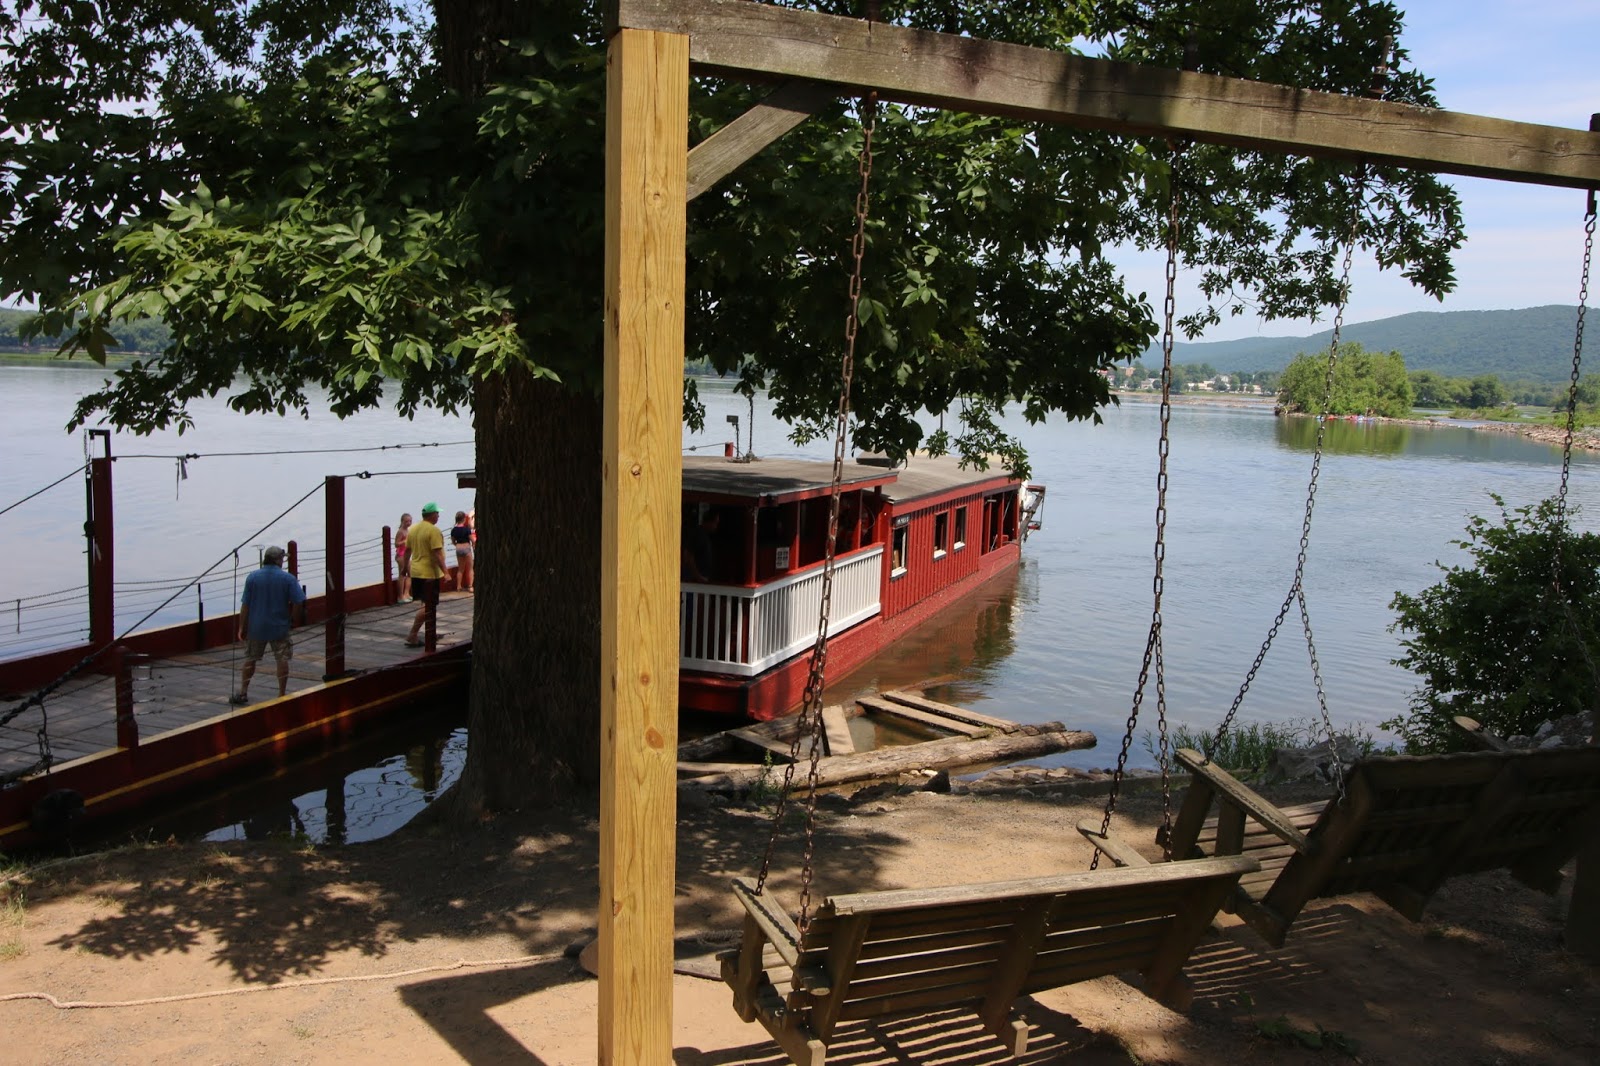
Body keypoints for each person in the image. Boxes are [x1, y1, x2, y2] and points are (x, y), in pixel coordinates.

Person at [232, 545, 307, 704]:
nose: (283, 561)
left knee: (250, 659)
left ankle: (243, 691)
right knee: (281, 659)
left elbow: (245, 605)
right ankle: (281, 694)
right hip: (279, 627)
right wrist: (293, 619)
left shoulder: (252, 577)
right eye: (282, 558)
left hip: (256, 626)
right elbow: (298, 602)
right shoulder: (288, 579)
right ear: (278, 560)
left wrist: (241, 627)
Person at [405, 502, 450, 647]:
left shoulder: (413, 529)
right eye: (437, 513)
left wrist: (405, 568)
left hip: (416, 571)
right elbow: (437, 553)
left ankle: (431, 632)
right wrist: (446, 572)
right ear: (431, 515)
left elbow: (407, 551)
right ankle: (412, 634)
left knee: (426, 604)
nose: (438, 516)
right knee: (428, 605)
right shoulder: (433, 530)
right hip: (429, 573)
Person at [681, 508, 719, 583]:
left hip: (700, 581)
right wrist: (698, 577)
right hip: (694, 582)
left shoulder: (704, 536)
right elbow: (688, 555)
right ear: (709, 521)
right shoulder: (698, 534)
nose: (716, 526)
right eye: (715, 523)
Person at [450, 510, 475, 592]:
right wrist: (473, 545)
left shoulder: (454, 530)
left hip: (458, 548)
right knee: (470, 568)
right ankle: (470, 586)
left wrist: (457, 545)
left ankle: (458, 586)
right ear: (464, 519)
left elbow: (453, 541)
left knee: (460, 569)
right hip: (466, 548)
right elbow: (472, 540)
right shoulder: (466, 529)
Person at [394, 512, 413, 601]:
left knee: (410, 574)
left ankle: (406, 593)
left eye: (410, 521)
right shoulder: (400, 531)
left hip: (407, 555)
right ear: (402, 522)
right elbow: (396, 544)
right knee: (402, 574)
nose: (408, 523)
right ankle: (400, 596)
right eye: (406, 521)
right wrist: (404, 541)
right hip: (401, 555)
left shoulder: (408, 530)